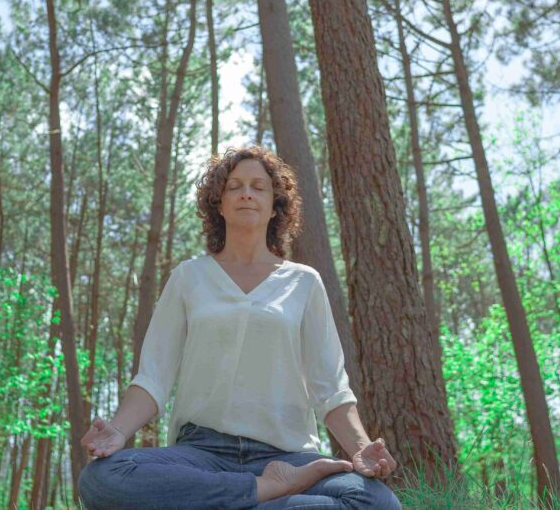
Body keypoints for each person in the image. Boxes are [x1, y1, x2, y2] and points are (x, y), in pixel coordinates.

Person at [78, 146, 402, 509]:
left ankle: (224, 501)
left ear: (275, 205)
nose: (246, 192)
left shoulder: (304, 283)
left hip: (288, 456)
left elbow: (330, 388)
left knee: (376, 503)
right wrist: (118, 432)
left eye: (258, 186)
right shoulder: (189, 277)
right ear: (219, 203)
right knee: (103, 479)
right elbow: (153, 377)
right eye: (234, 186)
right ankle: (263, 493)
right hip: (201, 454)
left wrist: (362, 449)